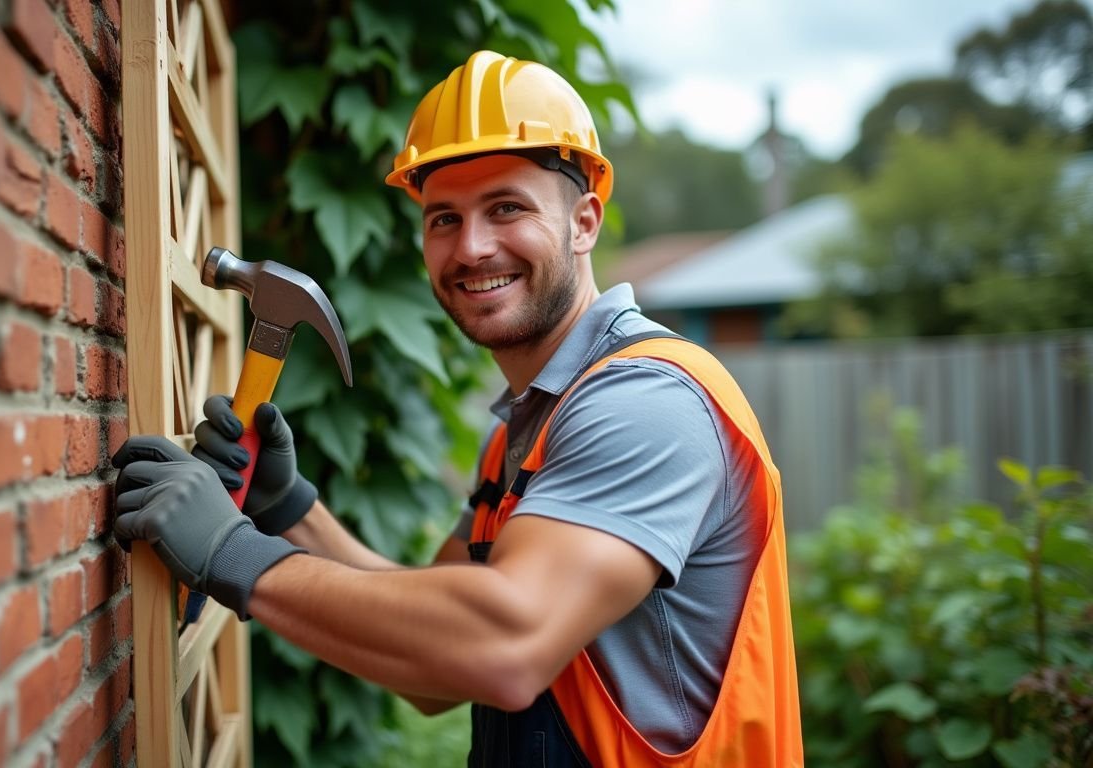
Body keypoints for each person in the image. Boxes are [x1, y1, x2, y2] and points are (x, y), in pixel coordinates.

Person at [111, 51, 803, 766]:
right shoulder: (527, 430)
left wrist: (230, 552)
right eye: (445, 218)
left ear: (585, 222)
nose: (471, 247)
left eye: (506, 207)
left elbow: (503, 644)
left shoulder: (648, 402)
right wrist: (290, 512)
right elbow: (434, 648)